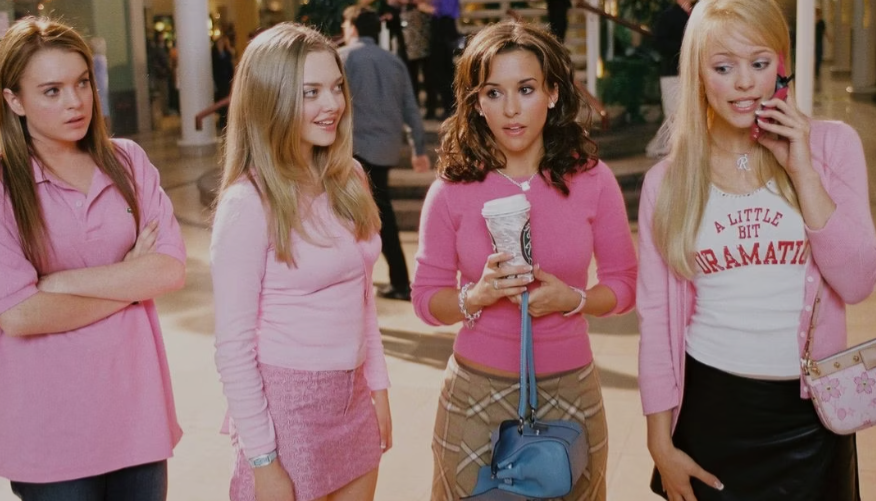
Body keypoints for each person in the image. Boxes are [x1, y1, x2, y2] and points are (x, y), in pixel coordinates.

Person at [636, 1, 876, 500]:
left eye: (760, 62)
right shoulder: (668, 181)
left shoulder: (832, 147)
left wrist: (802, 171)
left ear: (781, 64)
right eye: (724, 67)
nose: (745, 82)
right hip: (712, 413)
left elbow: (858, 283)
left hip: (814, 418)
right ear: (698, 74)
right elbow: (656, 319)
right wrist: (659, 443)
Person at [0, 17, 186, 500]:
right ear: (14, 100)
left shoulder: (127, 161)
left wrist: (56, 283)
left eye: (82, 82)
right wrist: (129, 282)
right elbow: (19, 315)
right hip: (48, 422)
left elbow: (167, 269)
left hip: (135, 409)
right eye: (52, 91)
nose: (76, 101)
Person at [411, 21, 638, 501]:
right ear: (476, 103)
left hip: (571, 388)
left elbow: (623, 286)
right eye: (493, 93)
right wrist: (477, 295)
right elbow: (427, 302)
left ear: (553, 93)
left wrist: (573, 299)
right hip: (475, 392)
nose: (511, 109)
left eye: (526, 89)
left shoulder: (592, 180)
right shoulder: (451, 191)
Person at [211, 23, 392, 501]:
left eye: (336, 87)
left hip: (353, 397)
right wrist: (263, 460)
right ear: (270, 99)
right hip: (288, 409)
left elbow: (363, 297)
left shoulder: (348, 177)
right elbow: (232, 348)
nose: (332, 104)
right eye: (310, 92)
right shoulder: (248, 202)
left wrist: (378, 388)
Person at [340, 6, 431, 301]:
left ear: (353, 28)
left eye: (345, 25)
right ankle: (399, 280)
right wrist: (418, 148)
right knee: (381, 214)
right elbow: (411, 109)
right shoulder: (394, 61)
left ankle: (358, 283)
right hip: (385, 149)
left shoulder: (343, 58)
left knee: (349, 217)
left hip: (352, 150)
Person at [647, 0, 693, 158]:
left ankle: (669, 146)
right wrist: (684, 47)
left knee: (684, 112)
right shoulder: (668, 15)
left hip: (689, 71)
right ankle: (670, 146)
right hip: (672, 71)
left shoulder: (696, 13)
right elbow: (659, 43)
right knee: (673, 112)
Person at [90, 36, 110, 130]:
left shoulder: (96, 59)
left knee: (101, 109)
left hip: (98, 87)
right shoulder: (102, 58)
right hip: (102, 87)